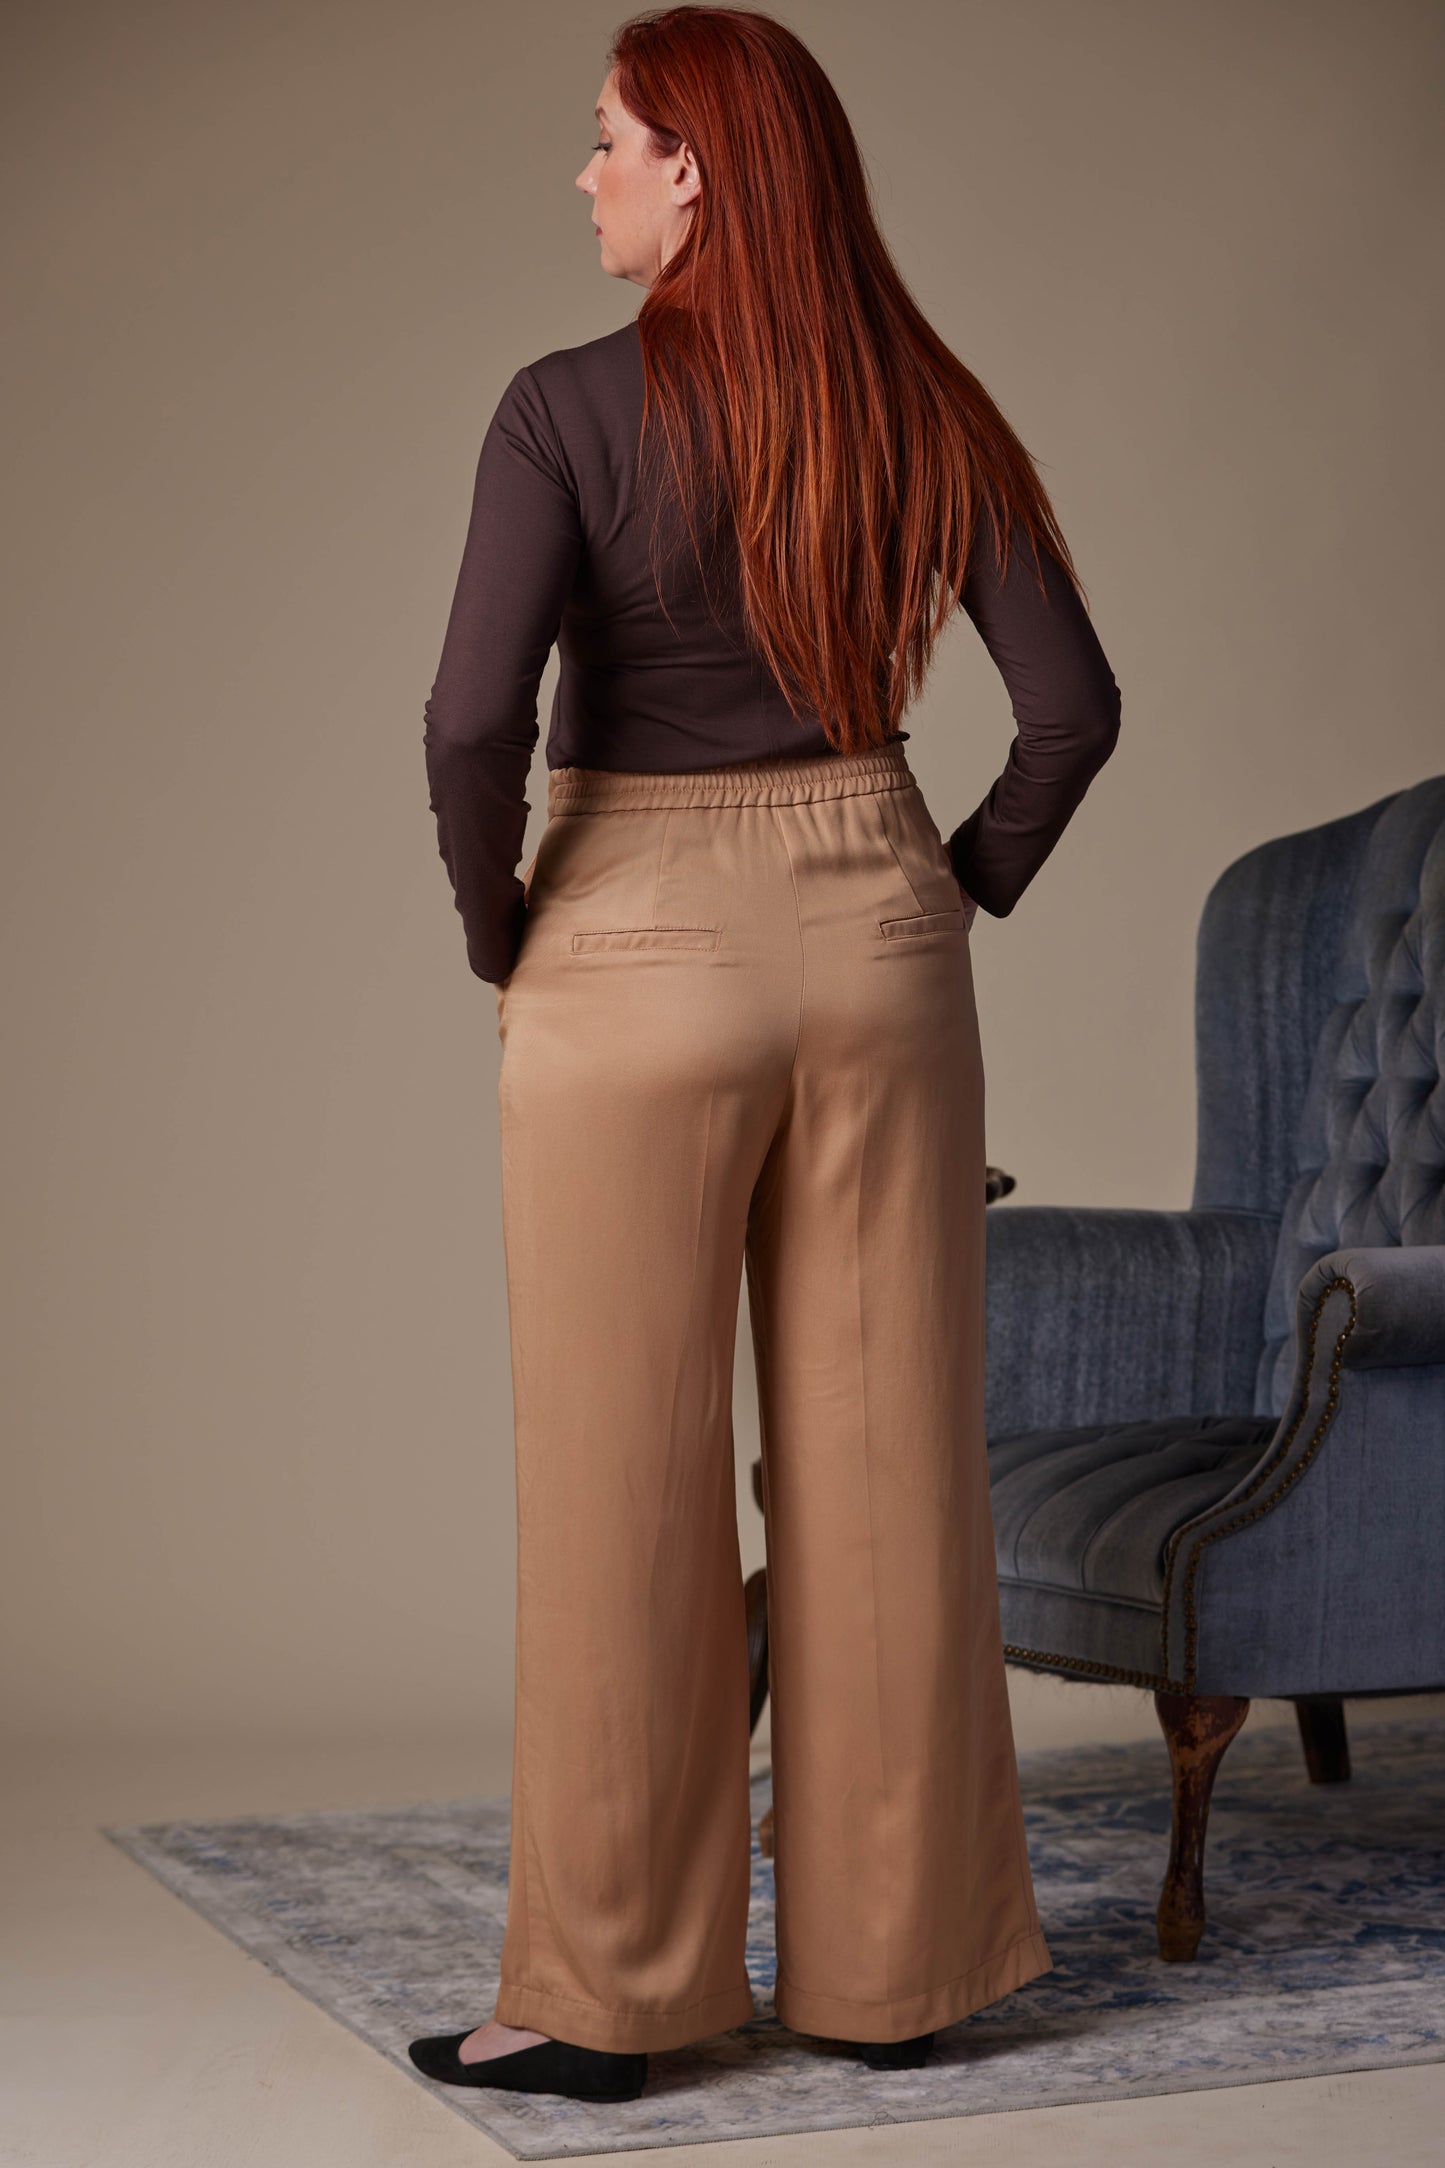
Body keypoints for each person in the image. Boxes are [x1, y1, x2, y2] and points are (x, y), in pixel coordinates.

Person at [408, 5, 1121, 2108]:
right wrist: (947, 888)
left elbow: (465, 725)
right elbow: (1072, 707)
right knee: (886, 1466)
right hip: (881, 917)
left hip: (625, 934)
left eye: (612, 140)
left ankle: (610, 1999)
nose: (589, 173)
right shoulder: (924, 404)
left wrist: (504, 939)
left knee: (621, 1482)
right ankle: (899, 1975)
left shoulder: (563, 409)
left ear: (701, 170)